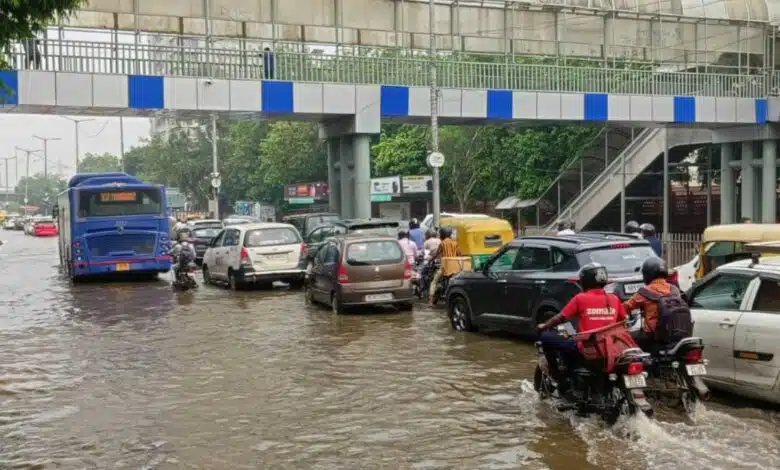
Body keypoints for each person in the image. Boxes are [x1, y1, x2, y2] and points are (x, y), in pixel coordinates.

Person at [536, 262, 627, 385]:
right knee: (567, 330)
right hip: (611, 345)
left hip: (587, 347)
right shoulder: (614, 298)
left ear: (584, 281)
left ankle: (556, 375)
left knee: (546, 336)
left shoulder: (580, 298)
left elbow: (560, 318)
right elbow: (623, 320)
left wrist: (545, 326)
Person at [623, 257, 675, 352]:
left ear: (647, 274)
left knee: (630, 339)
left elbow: (625, 307)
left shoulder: (645, 291)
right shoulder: (674, 289)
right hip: (675, 331)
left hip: (653, 335)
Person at [428, 226, 460, 306]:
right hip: (455, 268)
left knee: (434, 282)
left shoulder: (442, 243)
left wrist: (430, 260)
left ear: (442, 234)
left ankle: (431, 302)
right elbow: (460, 254)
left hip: (445, 267)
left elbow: (436, 254)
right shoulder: (455, 243)